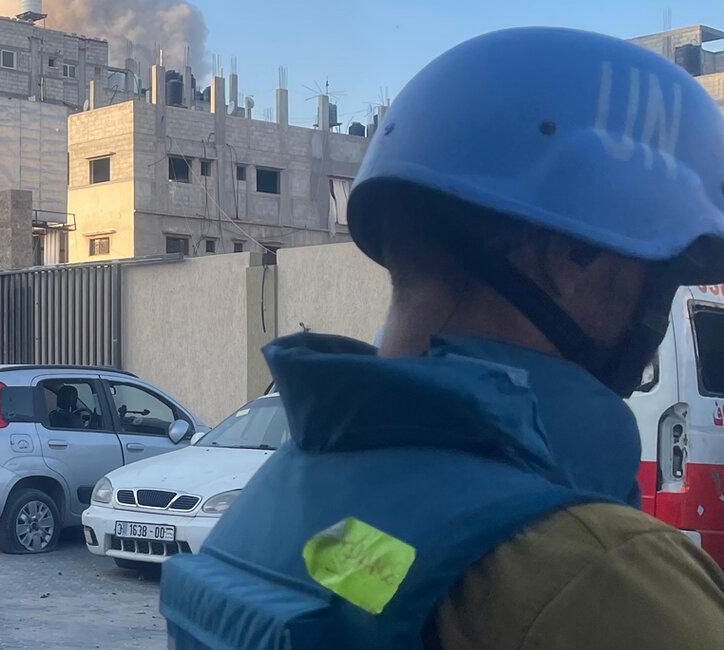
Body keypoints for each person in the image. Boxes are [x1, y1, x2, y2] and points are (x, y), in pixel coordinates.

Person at [160, 27, 724, 648]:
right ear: (570, 256)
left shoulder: (271, 505)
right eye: (660, 267)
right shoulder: (604, 575)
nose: (657, 304)